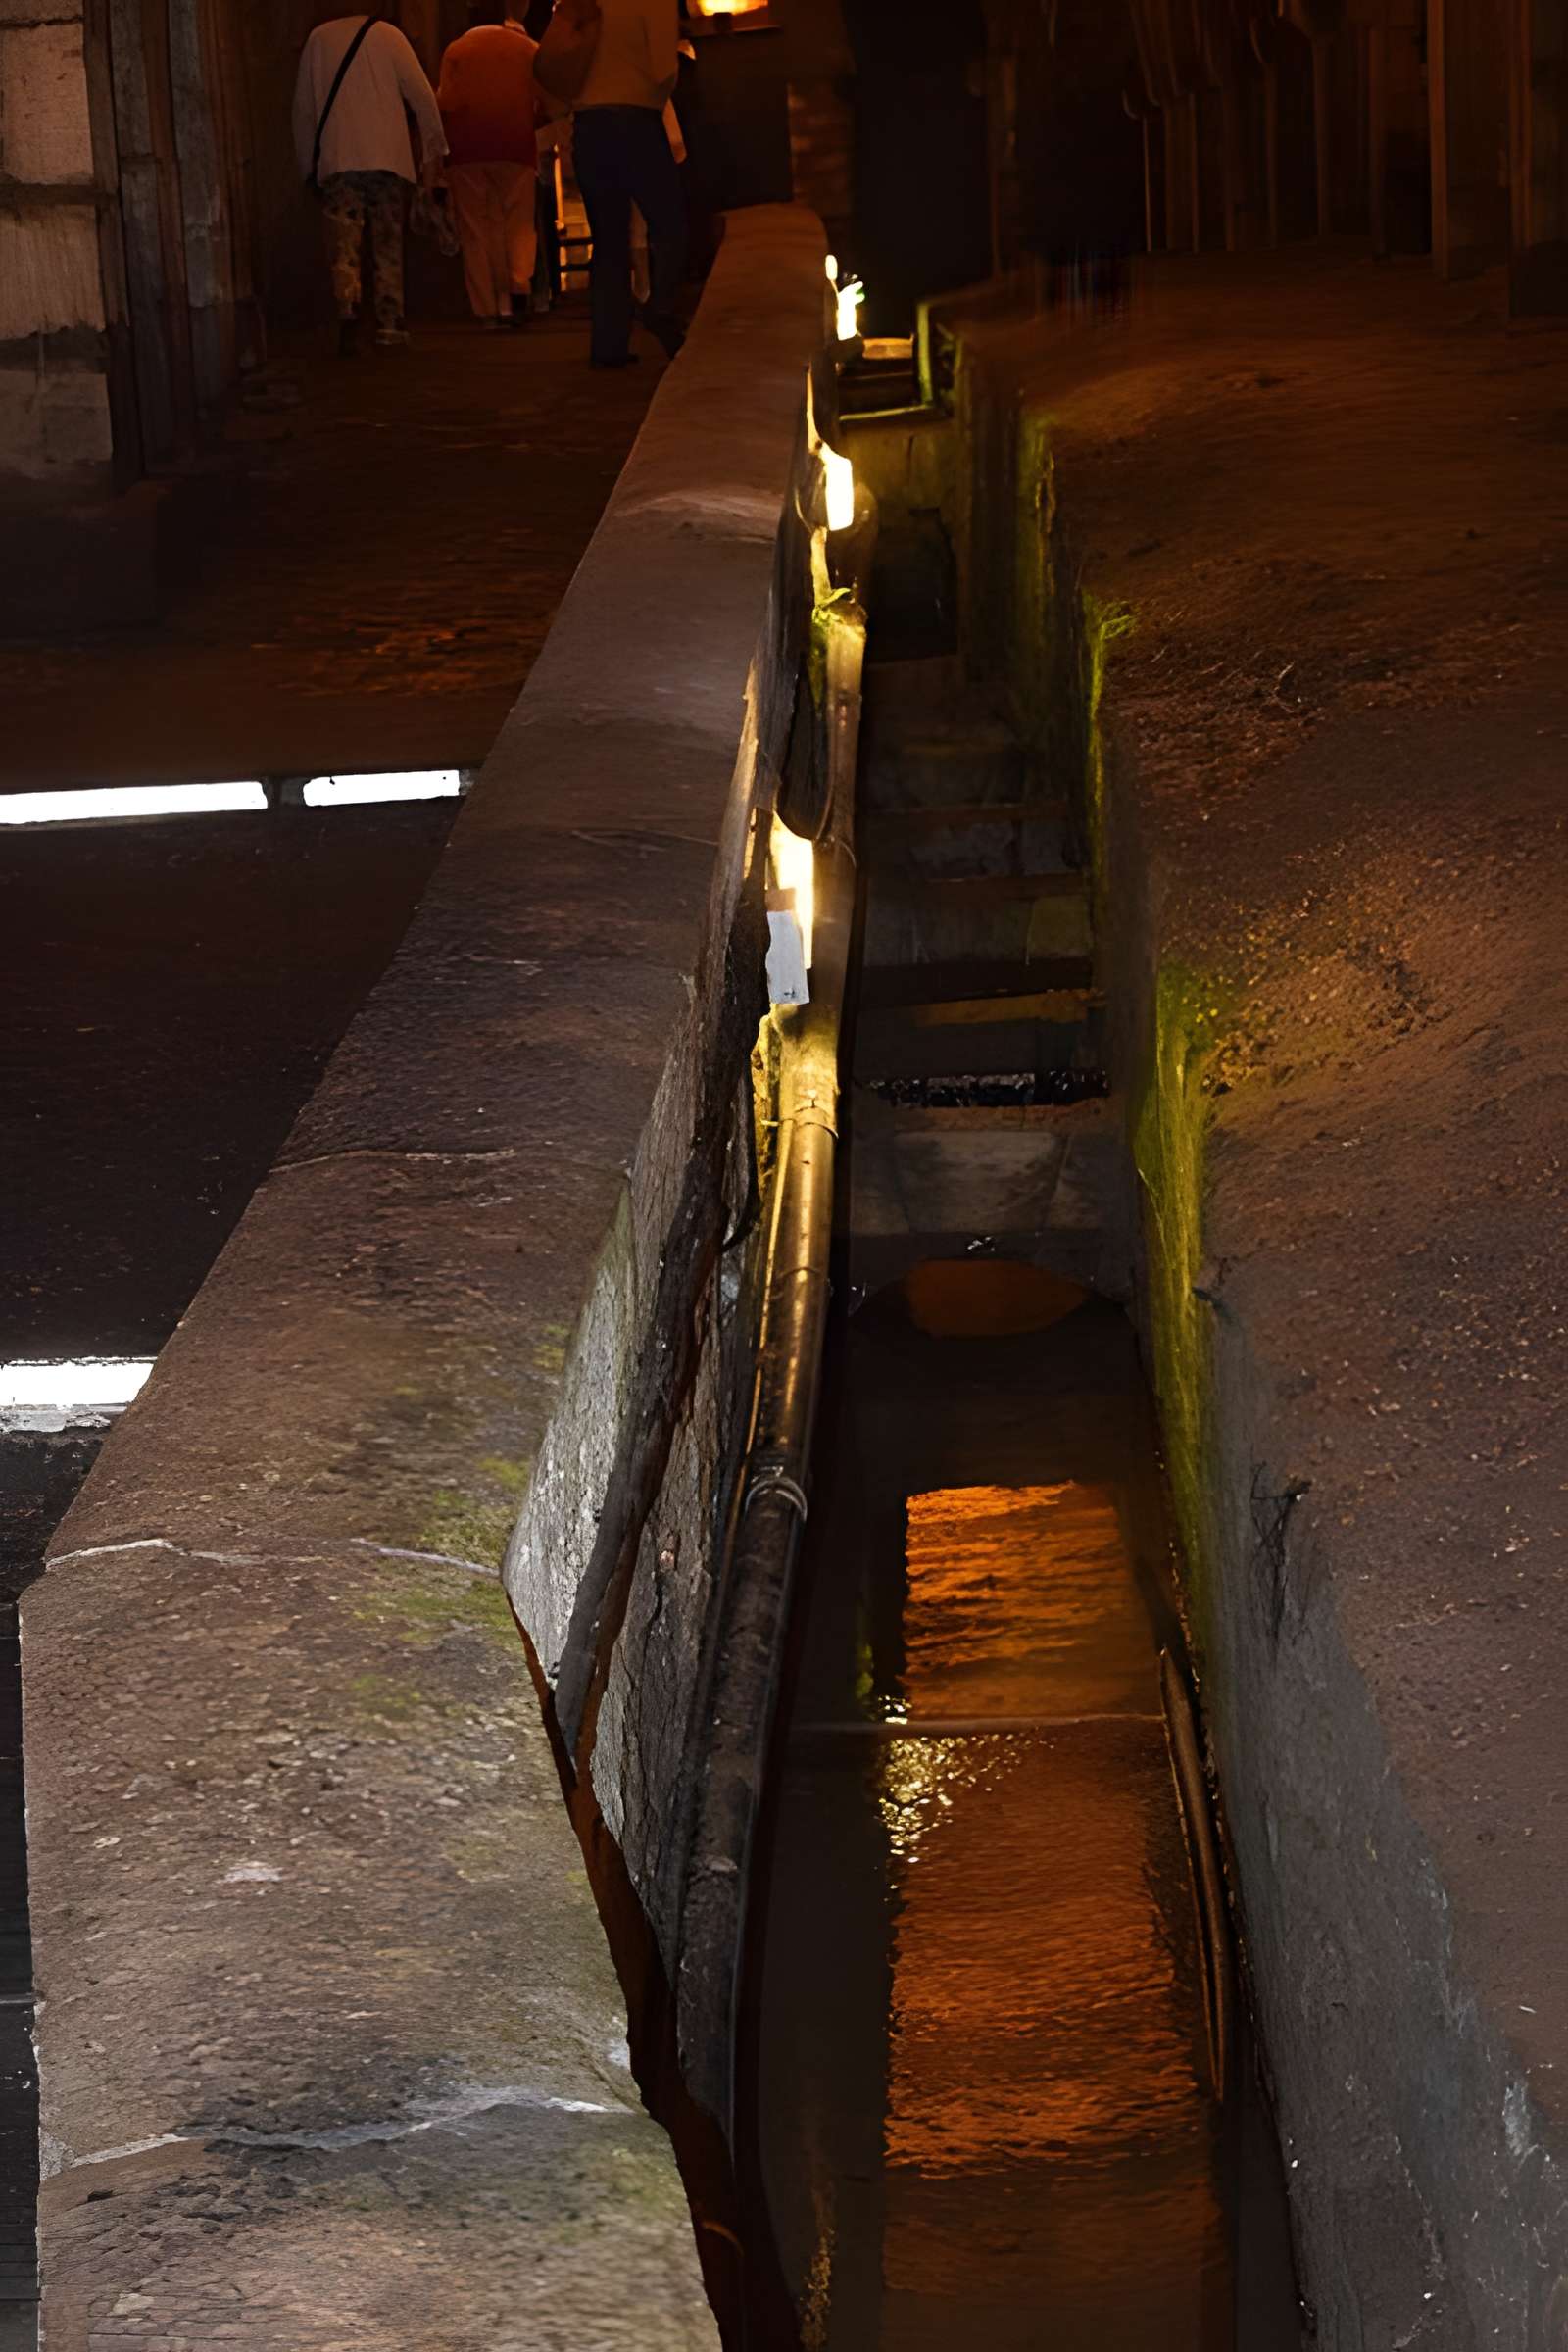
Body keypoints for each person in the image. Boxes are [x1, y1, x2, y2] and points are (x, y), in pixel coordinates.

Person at [293, 7, 447, 354]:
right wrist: (434, 152)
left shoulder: (318, 40)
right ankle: (390, 322)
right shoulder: (389, 36)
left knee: (344, 242)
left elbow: (304, 110)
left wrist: (307, 165)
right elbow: (422, 97)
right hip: (387, 158)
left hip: (339, 157)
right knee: (387, 241)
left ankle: (348, 308)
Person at [570, 0, 686, 368]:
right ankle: (661, 308)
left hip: (588, 124)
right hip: (636, 117)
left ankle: (608, 343)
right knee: (671, 225)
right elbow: (664, 70)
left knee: (608, 239)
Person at [438, 2, 543, 330]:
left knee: (476, 228)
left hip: (467, 149)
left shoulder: (456, 50)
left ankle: (486, 309)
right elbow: (545, 97)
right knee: (519, 221)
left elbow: (446, 102)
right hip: (516, 144)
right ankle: (518, 290)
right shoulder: (528, 49)